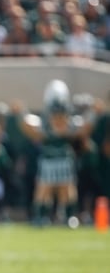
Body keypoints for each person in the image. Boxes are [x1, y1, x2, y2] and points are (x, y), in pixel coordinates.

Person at [12, 80, 100, 226]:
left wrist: (94, 113)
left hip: (64, 159)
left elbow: (84, 127)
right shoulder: (44, 125)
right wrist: (20, 113)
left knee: (67, 189)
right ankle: (41, 216)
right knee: (43, 190)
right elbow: (29, 126)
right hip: (48, 159)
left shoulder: (71, 124)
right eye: (56, 113)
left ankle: (69, 216)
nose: (58, 117)